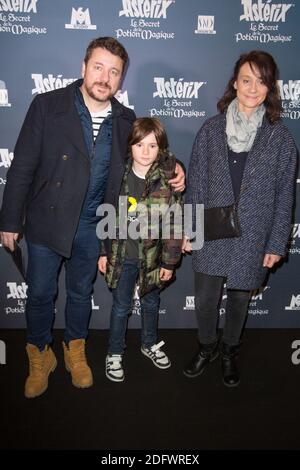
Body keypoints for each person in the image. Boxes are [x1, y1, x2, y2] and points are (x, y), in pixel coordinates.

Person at [0, 37, 185, 398]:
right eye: (98, 67)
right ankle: (40, 355)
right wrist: (9, 220)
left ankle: (75, 351)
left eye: (114, 72)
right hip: (46, 221)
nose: (105, 77)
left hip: (92, 225)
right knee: (39, 294)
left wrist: (177, 168)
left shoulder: (124, 119)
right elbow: (21, 165)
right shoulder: (47, 105)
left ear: (120, 80)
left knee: (81, 294)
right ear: (84, 67)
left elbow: (148, 157)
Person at [182, 50, 297, 387]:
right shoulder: (210, 130)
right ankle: (207, 346)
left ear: (270, 87)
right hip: (211, 231)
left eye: (261, 81)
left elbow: (284, 195)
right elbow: (196, 185)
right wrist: (191, 229)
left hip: (252, 235)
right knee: (205, 301)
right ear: (235, 83)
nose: (252, 88)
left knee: (239, 300)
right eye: (246, 80)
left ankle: (230, 349)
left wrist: (276, 242)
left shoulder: (281, 138)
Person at [98, 117, 182, 382]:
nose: (145, 152)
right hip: (123, 258)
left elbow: (173, 224)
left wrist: (169, 264)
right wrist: (103, 252)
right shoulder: (118, 176)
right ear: (129, 147)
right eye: (139, 145)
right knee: (121, 306)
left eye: (152, 146)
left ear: (161, 149)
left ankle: (148, 344)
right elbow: (106, 217)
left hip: (153, 259)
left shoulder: (167, 181)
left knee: (151, 302)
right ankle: (114, 352)